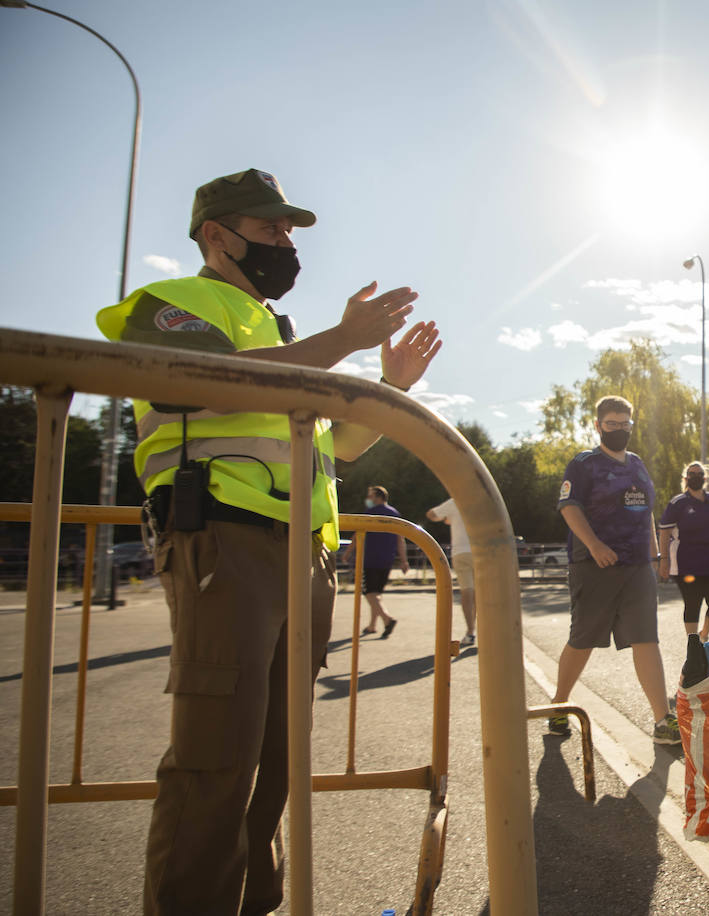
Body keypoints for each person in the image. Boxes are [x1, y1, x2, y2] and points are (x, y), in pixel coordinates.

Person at [95, 168, 441, 915]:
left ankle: (255, 903)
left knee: (272, 764)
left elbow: (341, 447)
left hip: (302, 558)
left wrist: (394, 385)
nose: (287, 243)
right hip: (225, 538)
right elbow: (195, 382)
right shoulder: (177, 304)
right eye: (271, 228)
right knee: (216, 762)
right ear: (216, 236)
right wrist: (343, 340)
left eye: (290, 231)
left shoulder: (280, 334)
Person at [550, 395, 679, 744]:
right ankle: (559, 705)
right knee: (583, 640)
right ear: (598, 425)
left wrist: (655, 557)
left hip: (637, 567)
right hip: (594, 566)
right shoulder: (584, 464)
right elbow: (569, 507)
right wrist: (594, 545)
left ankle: (661, 720)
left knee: (645, 638)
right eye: (612, 424)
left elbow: (647, 511)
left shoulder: (637, 464)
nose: (619, 430)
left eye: (625, 424)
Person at [657, 461, 709, 636]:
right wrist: (663, 560)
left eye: (699, 474)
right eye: (692, 474)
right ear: (686, 479)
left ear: (705, 478)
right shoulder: (678, 503)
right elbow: (664, 533)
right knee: (692, 603)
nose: (696, 477)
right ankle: (693, 644)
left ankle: (704, 634)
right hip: (686, 564)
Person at [341, 486, 409, 638]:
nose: (369, 499)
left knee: (369, 593)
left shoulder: (370, 513)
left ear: (379, 497)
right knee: (377, 594)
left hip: (369, 559)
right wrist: (404, 561)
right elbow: (400, 539)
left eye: (370, 496)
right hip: (387, 560)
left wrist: (347, 553)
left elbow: (356, 535)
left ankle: (387, 619)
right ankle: (372, 625)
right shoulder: (394, 514)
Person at [427, 495, 477, 648]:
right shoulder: (482, 500)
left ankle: (470, 632)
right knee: (483, 594)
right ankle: (489, 632)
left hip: (460, 552)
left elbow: (431, 515)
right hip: (481, 552)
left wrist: (446, 518)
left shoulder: (455, 501)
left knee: (467, 593)